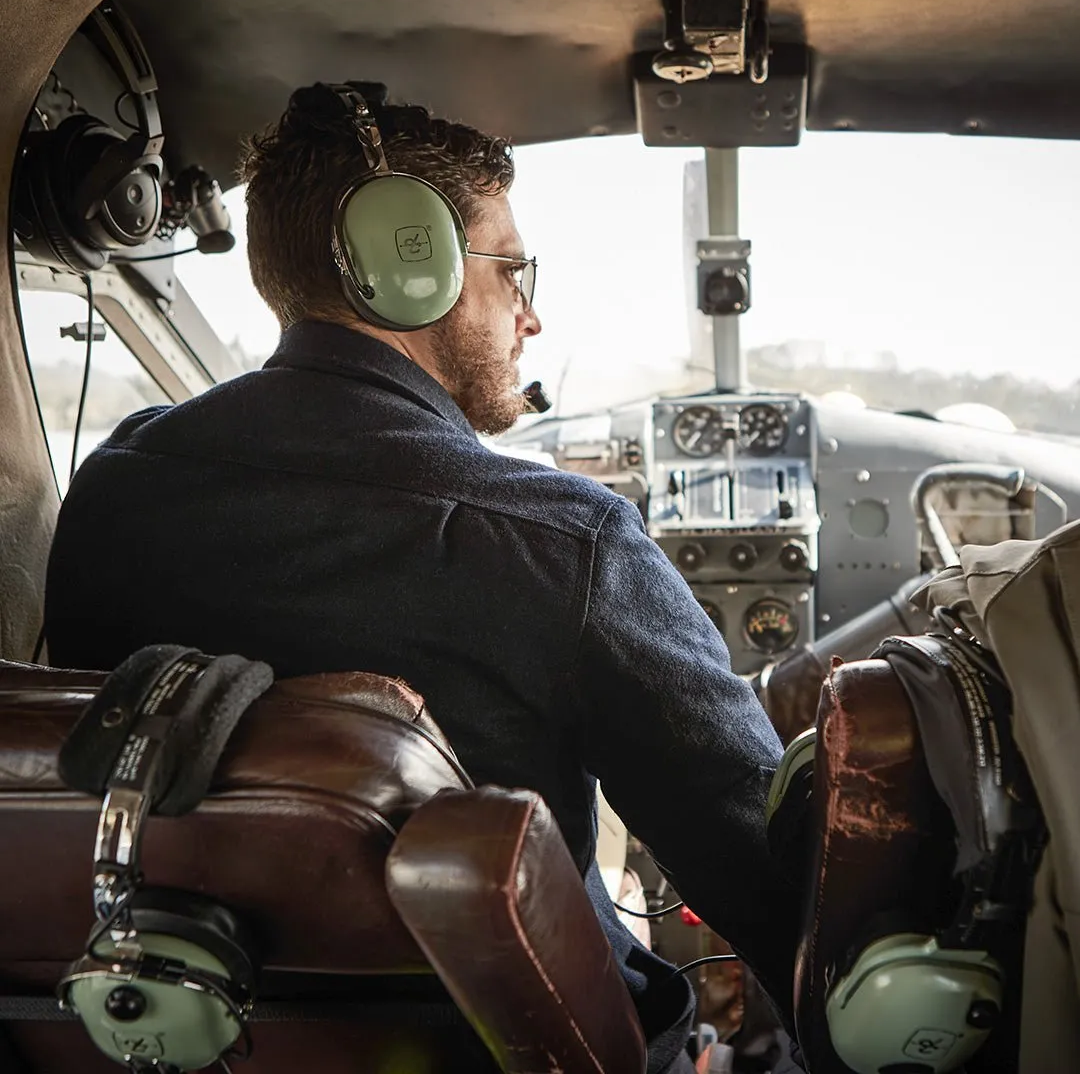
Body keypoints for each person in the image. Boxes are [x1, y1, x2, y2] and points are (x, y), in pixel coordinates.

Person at [44, 82, 799, 1073]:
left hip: (202, 1035)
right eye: (514, 270)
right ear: (413, 269)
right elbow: (781, 890)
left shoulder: (113, 487)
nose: (529, 317)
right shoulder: (569, 541)